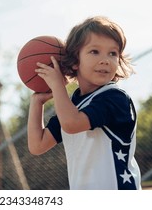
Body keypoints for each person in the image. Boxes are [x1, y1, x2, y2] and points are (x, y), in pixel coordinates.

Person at [27, 16, 141, 190]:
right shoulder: (73, 106)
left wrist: (57, 85)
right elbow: (37, 145)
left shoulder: (115, 98)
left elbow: (72, 124)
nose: (105, 59)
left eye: (113, 53)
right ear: (74, 62)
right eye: (95, 51)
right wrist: (37, 102)